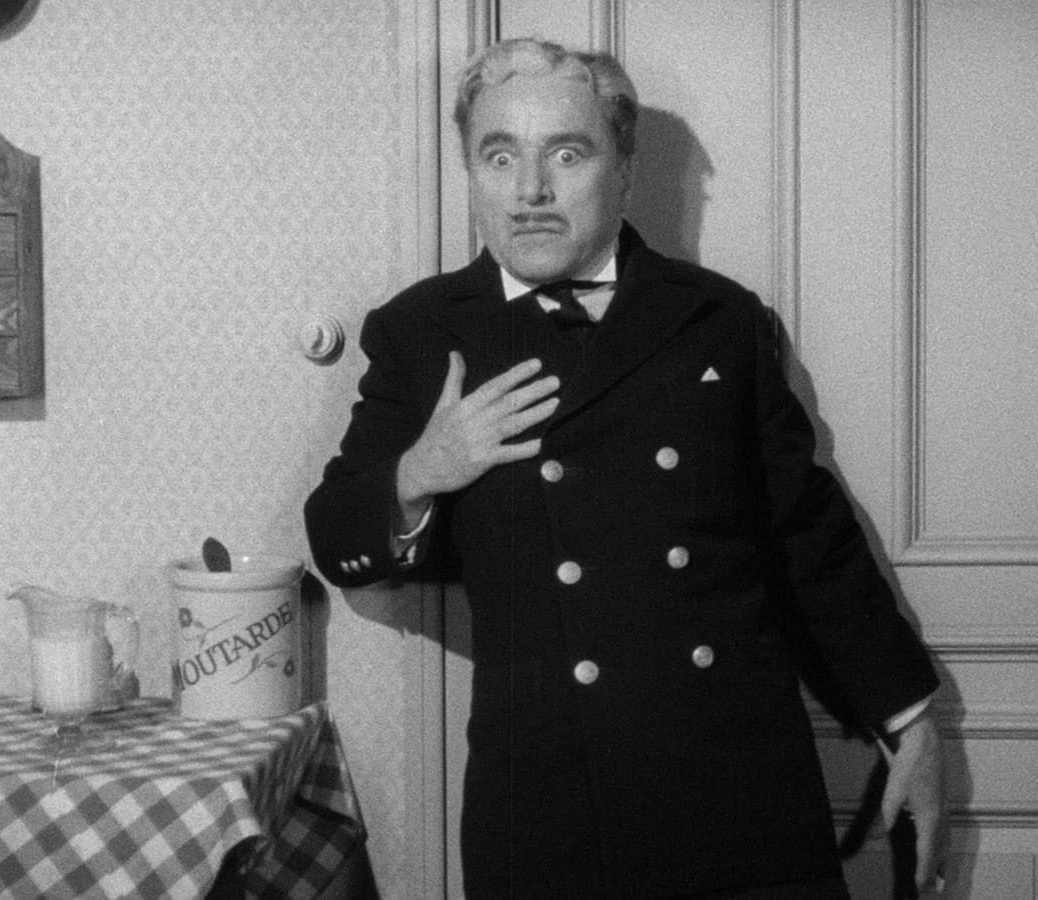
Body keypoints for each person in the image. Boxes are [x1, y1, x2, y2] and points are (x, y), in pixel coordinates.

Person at [305, 37, 946, 898]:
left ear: (626, 170)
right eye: (500, 156)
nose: (530, 190)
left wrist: (907, 718)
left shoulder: (718, 320)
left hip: (737, 786)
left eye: (567, 154)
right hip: (548, 802)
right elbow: (335, 534)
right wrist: (423, 468)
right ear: (471, 172)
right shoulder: (422, 331)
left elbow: (807, 539)